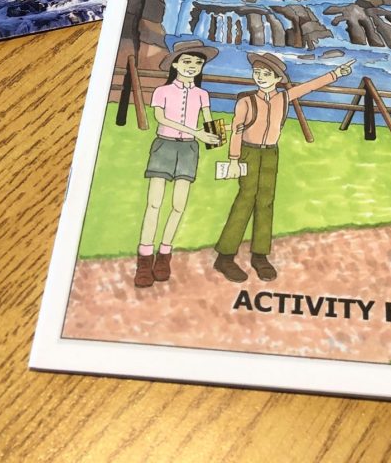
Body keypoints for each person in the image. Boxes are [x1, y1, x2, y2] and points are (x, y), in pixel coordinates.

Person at [213, 52, 353, 283]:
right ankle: (225, 256)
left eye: (267, 74)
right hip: (248, 152)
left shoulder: (284, 98)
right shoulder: (246, 100)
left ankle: (260, 255)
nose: (260, 77)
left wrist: (336, 74)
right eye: (257, 73)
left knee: (266, 202)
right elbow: (236, 129)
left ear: (278, 79)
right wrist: (234, 158)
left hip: (270, 153)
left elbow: (309, 86)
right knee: (245, 199)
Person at [135, 40, 220, 288]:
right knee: (154, 203)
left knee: (179, 206)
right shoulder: (162, 91)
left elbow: (208, 121)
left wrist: (214, 138)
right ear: (174, 63)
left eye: (197, 62)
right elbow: (161, 118)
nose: (192, 66)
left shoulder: (202, 94)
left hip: (189, 149)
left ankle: (164, 254)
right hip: (164, 145)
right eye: (187, 61)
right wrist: (197, 132)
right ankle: (144, 257)